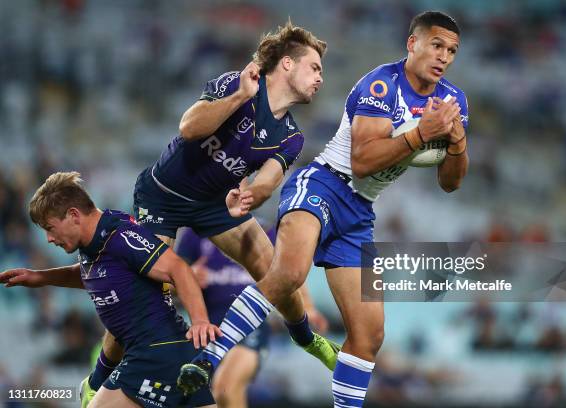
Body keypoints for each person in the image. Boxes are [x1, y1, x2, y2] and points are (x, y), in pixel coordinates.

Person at [178, 11, 469, 407]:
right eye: (436, 45)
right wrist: (422, 134)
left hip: (360, 213)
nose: (444, 56)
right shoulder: (382, 85)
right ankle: (208, 358)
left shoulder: (453, 101)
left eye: (451, 50)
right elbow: (363, 160)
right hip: (324, 184)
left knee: (369, 334)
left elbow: (451, 183)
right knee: (289, 272)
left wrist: (457, 144)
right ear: (412, 43)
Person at [80, 21, 338, 406]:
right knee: (145, 294)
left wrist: (249, 195)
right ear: (286, 64)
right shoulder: (237, 82)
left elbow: (268, 180)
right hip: (162, 195)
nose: (320, 77)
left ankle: (305, 337)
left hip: (216, 204)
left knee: (276, 269)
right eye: (315, 67)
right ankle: (96, 381)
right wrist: (238, 98)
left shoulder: (292, 136)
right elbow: (189, 127)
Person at [0, 172, 221, 408]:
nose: (48, 238)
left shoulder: (121, 237)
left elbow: (178, 268)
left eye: (50, 228)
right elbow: (90, 274)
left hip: (153, 353)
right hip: (165, 353)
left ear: (73, 215)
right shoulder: (94, 244)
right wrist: (40, 277)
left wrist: (199, 321)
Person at [175, 226, 317, 407]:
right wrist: (188, 277)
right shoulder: (195, 234)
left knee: (226, 385)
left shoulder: (266, 232)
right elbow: (170, 282)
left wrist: (309, 307)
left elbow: (289, 276)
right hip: (207, 329)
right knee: (206, 398)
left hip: (250, 327)